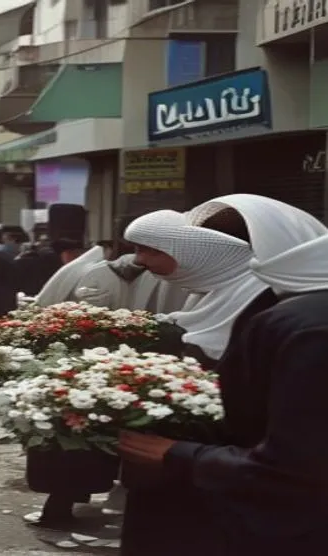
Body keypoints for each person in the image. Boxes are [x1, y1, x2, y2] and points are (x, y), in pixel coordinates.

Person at [117, 195, 327, 556]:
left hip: (262, 511)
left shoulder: (295, 320)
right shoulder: (272, 306)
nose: (140, 261)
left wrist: (182, 454)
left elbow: (297, 458)